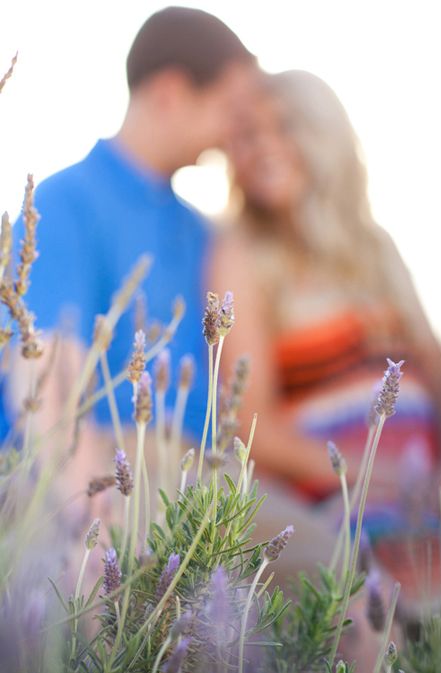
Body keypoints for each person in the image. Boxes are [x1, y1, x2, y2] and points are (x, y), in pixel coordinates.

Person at [209, 71, 441, 589]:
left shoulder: (377, 246)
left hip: (430, 502)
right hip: (338, 506)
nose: (264, 147)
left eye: (285, 127)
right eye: (248, 136)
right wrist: (369, 475)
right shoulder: (243, 255)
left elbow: (435, 365)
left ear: (326, 133)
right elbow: (250, 425)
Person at [1, 7, 259, 454]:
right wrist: (86, 515)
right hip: (121, 475)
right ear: (170, 93)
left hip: (206, 478)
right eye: (229, 109)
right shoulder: (64, 205)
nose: (232, 133)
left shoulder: (202, 231)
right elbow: (46, 393)